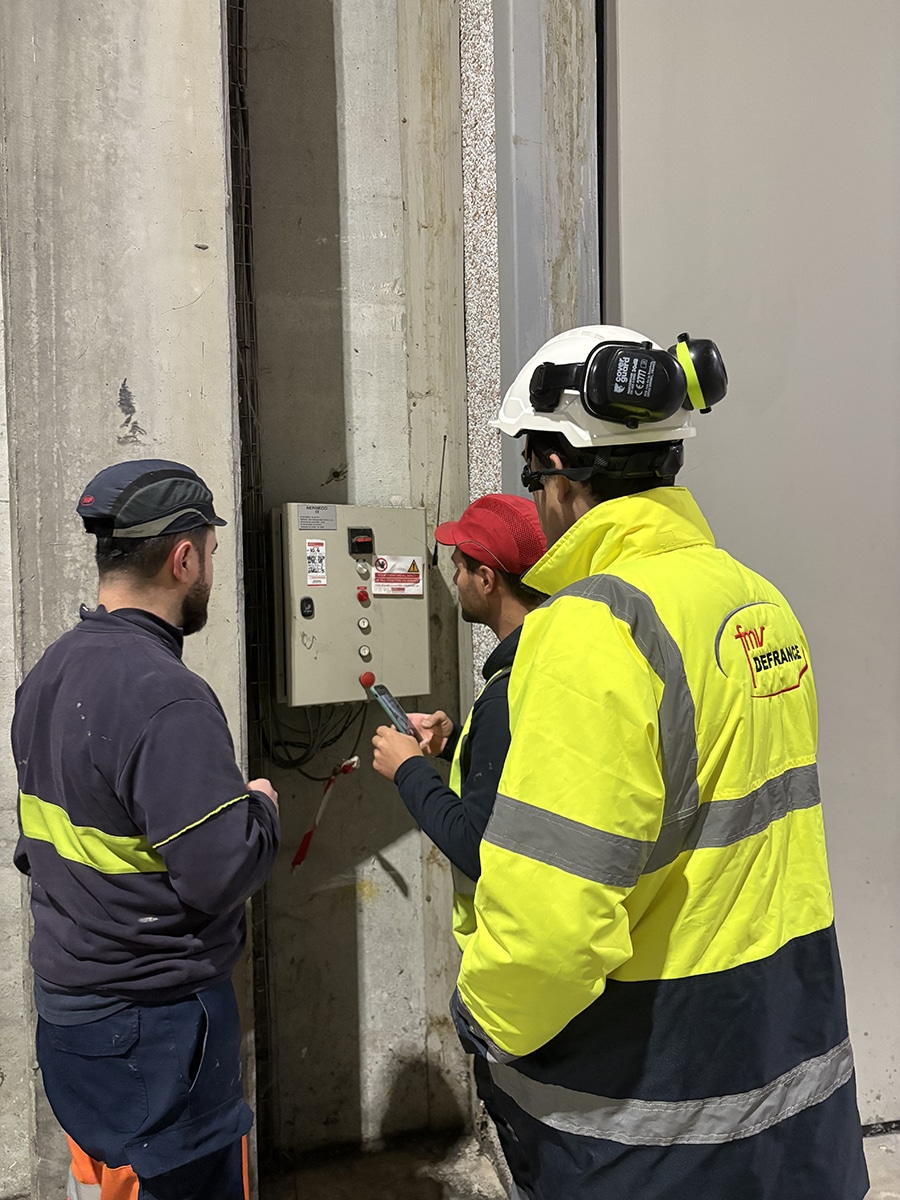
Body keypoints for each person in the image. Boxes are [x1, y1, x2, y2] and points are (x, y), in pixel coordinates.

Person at [450, 326, 868, 1199]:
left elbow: (553, 929)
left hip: (652, 1122)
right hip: (786, 1075)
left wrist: (483, 1015)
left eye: (535, 476)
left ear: (561, 473)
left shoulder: (589, 631)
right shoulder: (758, 603)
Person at [12, 459, 279, 1200]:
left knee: (102, 1181)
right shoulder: (166, 698)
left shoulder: (50, 673)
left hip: (72, 1013)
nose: (210, 574)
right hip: (155, 1027)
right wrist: (260, 806)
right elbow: (220, 872)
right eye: (210, 557)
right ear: (183, 558)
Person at [371, 494, 545, 949]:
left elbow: (475, 844)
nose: (454, 579)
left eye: (459, 567)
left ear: (486, 579)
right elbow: (526, 767)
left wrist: (407, 768)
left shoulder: (505, 691)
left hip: (511, 948)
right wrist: (452, 745)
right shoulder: (550, 659)